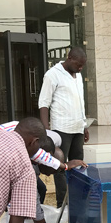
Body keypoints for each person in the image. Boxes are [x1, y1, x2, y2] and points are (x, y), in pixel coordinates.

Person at [39, 47, 89, 207]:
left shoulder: (78, 76)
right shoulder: (52, 74)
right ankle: (63, 203)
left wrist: (85, 125)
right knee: (60, 166)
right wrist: (46, 132)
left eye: (82, 66)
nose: (80, 68)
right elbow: (43, 104)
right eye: (78, 65)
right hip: (61, 129)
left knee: (79, 164)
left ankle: (78, 201)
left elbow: (80, 103)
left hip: (78, 128)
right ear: (69, 58)